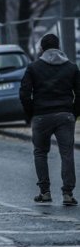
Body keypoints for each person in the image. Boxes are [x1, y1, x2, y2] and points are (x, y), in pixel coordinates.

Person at [19, 33, 80, 206]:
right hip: (65, 115)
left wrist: (31, 112)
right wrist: (73, 112)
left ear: (42, 49)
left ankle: (44, 192)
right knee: (67, 153)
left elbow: (24, 93)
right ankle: (68, 193)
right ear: (59, 47)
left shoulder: (33, 68)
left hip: (41, 116)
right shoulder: (72, 67)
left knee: (40, 152)